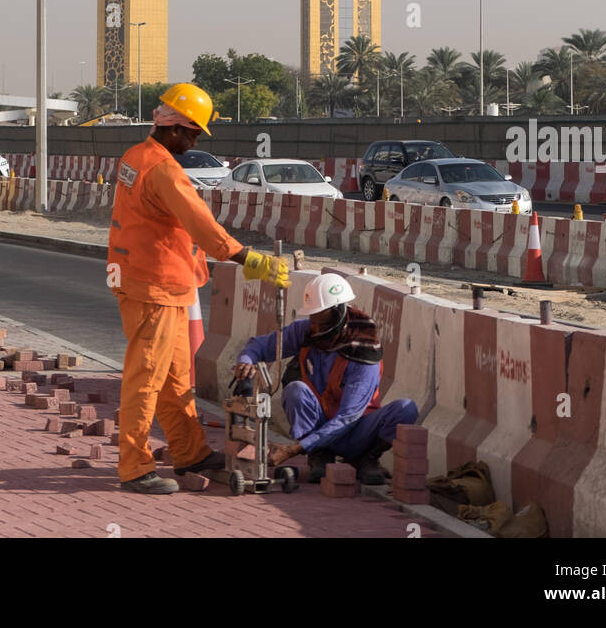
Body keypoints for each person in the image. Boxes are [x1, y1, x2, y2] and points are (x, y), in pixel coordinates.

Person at [108, 82, 288, 495]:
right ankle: (134, 466)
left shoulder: (136, 156)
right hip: (154, 286)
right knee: (146, 379)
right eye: (192, 133)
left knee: (174, 379)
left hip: (143, 279)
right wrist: (249, 259)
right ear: (174, 127)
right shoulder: (165, 170)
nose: (194, 140)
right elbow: (202, 225)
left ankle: (189, 451)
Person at [233, 273, 418, 485]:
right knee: (295, 390)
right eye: (312, 318)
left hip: (357, 430)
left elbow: (347, 418)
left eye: (320, 320)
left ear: (338, 314)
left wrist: (293, 450)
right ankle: (320, 454)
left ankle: (367, 458)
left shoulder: (364, 351)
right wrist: (246, 361)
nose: (314, 326)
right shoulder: (308, 331)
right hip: (320, 421)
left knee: (405, 408)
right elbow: (262, 345)